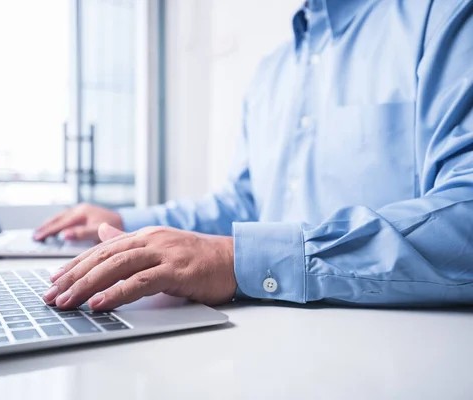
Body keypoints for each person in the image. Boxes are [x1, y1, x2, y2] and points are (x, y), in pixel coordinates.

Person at [36, 0, 473, 311]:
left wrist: (238, 260)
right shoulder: (273, 71)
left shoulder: (446, 16)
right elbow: (243, 203)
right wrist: (124, 228)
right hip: (261, 339)